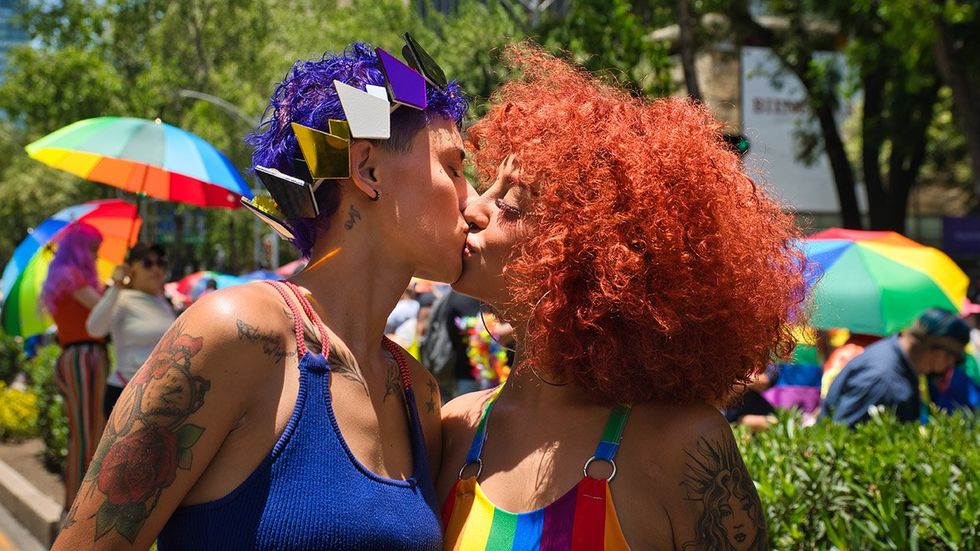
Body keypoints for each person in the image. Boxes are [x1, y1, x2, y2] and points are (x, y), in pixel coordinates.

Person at [53, 39, 469, 550]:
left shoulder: (418, 394)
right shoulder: (236, 333)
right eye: (453, 167)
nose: (472, 199)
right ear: (368, 170)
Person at [438, 45, 805, 549]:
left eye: (508, 203)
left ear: (587, 259)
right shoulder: (454, 427)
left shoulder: (684, 445)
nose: (472, 210)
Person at [38, 223, 112, 513]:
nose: (96, 256)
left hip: (81, 355)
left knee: (88, 432)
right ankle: (76, 509)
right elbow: (99, 309)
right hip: (84, 356)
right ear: (81, 249)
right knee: (86, 434)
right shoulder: (72, 276)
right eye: (93, 250)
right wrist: (115, 288)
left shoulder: (66, 276)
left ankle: (76, 506)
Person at [822, 308, 970, 427]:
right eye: (955, 360)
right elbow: (841, 436)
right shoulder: (883, 379)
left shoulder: (897, 360)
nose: (951, 366)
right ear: (940, 355)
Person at [85, 243, 177, 418]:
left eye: (160, 262)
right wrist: (117, 286)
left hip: (160, 396)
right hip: (126, 394)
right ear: (130, 268)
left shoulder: (163, 302)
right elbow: (94, 329)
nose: (156, 268)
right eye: (147, 263)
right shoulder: (122, 298)